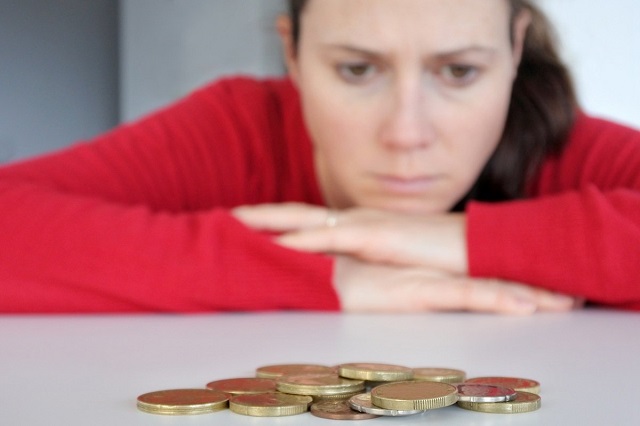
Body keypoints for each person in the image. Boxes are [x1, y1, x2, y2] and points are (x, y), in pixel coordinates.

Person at [1, 0, 639, 315]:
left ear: (515, 47)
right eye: (358, 69)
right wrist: (328, 272)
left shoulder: (548, 139)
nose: (406, 133)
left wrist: (438, 240)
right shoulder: (241, 127)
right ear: (294, 53)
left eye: (461, 71)